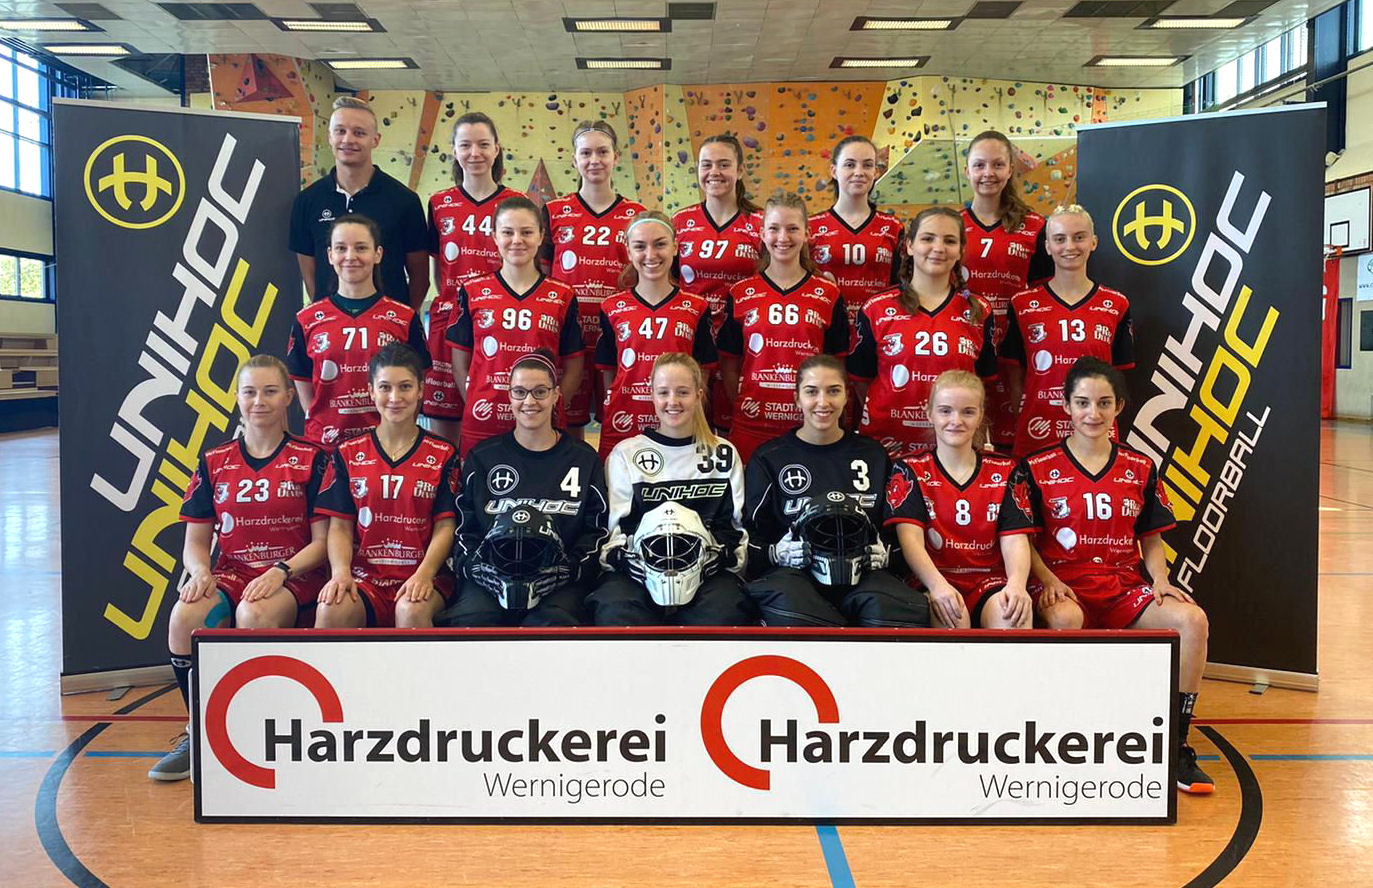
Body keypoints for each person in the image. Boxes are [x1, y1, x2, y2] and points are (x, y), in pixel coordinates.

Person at [1014, 357, 1214, 795]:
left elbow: (1151, 537)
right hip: (1065, 584)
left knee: (1192, 621)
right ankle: (1065, 734)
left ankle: (1177, 744)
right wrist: (1046, 579)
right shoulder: (1036, 466)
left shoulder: (1140, 466)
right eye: (1083, 402)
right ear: (1066, 405)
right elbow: (1023, 539)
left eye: (1104, 403)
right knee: (1065, 620)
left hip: (1123, 585)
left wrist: (1159, 579)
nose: (1093, 413)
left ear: (1119, 407)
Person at [150, 355, 330, 781]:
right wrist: (200, 572)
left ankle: (259, 731)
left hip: (295, 574)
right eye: (249, 392)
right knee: (184, 617)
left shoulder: (313, 457)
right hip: (233, 572)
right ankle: (198, 731)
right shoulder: (215, 460)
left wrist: (280, 571)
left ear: (289, 397)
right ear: (237, 398)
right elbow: (195, 543)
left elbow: (324, 544)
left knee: (255, 614)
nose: (259, 401)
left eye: (270, 391)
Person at [745, 355, 928, 627]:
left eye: (833, 391)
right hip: (796, 576)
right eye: (811, 392)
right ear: (797, 399)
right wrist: (774, 552)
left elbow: (896, 530)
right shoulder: (769, 458)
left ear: (846, 397)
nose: (823, 402)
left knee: (892, 608)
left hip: (864, 575)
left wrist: (886, 554)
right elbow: (750, 536)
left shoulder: (873, 455)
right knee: (789, 605)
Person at [591, 353, 754, 626]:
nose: (673, 402)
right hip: (640, 573)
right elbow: (615, 532)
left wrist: (720, 557)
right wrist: (624, 560)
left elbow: (735, 529)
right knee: (616, 610)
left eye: (683, 392)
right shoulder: (625, 454)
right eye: (663, 392)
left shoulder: (723, 453)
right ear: (652, 396)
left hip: (707, 574)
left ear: (699, 395)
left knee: (723, 611)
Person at [446, 350, 607, 626]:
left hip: (559, 583)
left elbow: (597, 531)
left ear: (556, 395)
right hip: (490, 581)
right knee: (473, 620)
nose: (529, 402)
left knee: (552, 622)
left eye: (540, 392)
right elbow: (464, 528)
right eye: (520, 392)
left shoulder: (583, 459)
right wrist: (474, 568)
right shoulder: (483, 458)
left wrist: (570, 570)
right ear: (509, 396)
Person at [313, 343, 459, 629]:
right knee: (332, 610)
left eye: (405, 387)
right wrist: (341, 573)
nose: (395, 397)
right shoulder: (347, 453)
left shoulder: (443, 452)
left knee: (410, 610)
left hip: (424, 575)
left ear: (420, 390)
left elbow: (445, 527)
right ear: (371, 391)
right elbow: (340, 527)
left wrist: (424, 574)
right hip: (365, 579)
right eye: (385, 387)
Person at [884, 370, 1035, 630]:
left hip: (989, 580)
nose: (956, 421)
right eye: (945, 411)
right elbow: (911, 542)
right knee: (952, 617)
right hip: (933, 579)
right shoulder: (909, 469)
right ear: (929, 413)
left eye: (968, 412)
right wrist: (937, 586)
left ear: (981, 415)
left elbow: (1014, 540)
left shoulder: (1006, 469)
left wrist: (1017, 585)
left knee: (1012, 615)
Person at [848, 206, 997, 460]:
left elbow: (982, 382)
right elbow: (861, 379)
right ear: (909, 245)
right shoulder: (876, 308)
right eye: (928, 238)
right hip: (886, 446)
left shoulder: (979, 311)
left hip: (953, 448)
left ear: (961, 250)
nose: (938, 248)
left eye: (949, 241)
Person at [449, 196, 585, 459]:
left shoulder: (563, 295)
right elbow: (459, 363)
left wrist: (549, 407)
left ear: (541, 236)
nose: (517, 240)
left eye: (526, 232)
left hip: (541, 424)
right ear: (494, 236)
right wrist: (476, 401)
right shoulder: (472, 291)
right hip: (484, 420)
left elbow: (574, 366)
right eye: (508, 232)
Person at [717, 191, 848, 463]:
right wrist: (744, 403)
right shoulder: (740, 293)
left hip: (810, 426)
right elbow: (729, 364)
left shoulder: (828, 294)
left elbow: (838, 364)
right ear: (762, 234)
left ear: (807, 234)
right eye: (774, 229)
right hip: (752, 426)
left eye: (792, 229)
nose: (783, 238)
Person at [423, 112, 527, 444]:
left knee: (502, 414)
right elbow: (438, 269)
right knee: (445, 422)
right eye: (465, 145)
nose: (474, 153)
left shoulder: (517, 203)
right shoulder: (439, 203)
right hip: (449, 321)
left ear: (497, 149)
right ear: (454, 150)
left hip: (501, 325)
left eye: (483, 144)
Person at [1000, 204, 1134, 458]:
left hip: (1096, 433)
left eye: (1079, 237)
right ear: (1048, 246)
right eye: (1060, 239)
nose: (1070, 246)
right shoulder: (1022, 304)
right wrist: (1025, 414)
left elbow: (1119, 376)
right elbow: (1014, 375)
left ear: (1093, 242)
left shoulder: (1116, 304)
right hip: (1037, 432)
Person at [285, 214, 430, 448]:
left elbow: (419, 382)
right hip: (326, 449)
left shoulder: (404, 318)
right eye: (341, 248)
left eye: (361, 248)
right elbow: (305, 390)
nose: (350, 256)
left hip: (388, 450)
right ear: (330, 255)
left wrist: (399, 435)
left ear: (378, 254)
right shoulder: (307, 320)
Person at [541, 121, 647, 440]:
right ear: (574, 159)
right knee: (564, 423)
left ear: (616, 157)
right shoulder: (554, 212)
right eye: (586, 153)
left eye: (602, 152)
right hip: (568, 338)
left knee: (620, 422)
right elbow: (543, 278)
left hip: (618, 338)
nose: (594, 160)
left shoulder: (637, 215)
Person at [596, 211, 717, 458]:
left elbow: (703, 373)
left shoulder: (697, 307)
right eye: (640, 246)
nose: (650, 255)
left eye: (660, 244)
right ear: (629, 252)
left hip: (680, 426)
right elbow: (609, 373)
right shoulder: (611, 307)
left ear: (675, 247)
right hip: (624, 423)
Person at [289, 96, 429, 309]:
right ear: (329, 137)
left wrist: (403, 319)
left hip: (389, 324)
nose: (348, 139)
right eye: (340, 131)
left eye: (359, 133)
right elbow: (310, 275)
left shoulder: (405, 201)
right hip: (329, 324)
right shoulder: (307, 201)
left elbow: (420, 277)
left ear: (375, 140)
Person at [961, 130, 1052, 451]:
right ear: (967, 170)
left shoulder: (1035, 226)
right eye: (980, 165)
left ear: (1011, 169)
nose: (988, 173)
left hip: (1015, 350)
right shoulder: (951, 226)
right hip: (964, 346)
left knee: (1011, 442)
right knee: (965, 437)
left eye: (997, 165)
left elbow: (1044, 295)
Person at [672, 134, 764, 432]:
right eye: (706, 164)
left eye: (724, 164)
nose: (714, 172)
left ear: (740, 170)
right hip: (691, 341)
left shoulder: (760, 224)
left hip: (741, 344)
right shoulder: (680, 222)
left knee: (732, 427)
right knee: (689, 427)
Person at [810, 135, 904, 329]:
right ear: (834, 171)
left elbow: (902, 287)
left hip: (878, 330)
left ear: (876, 172)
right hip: (824, 330)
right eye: (850, 165)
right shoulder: (811, 227)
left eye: (867, 165)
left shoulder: (893, 227)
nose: (859, 172)